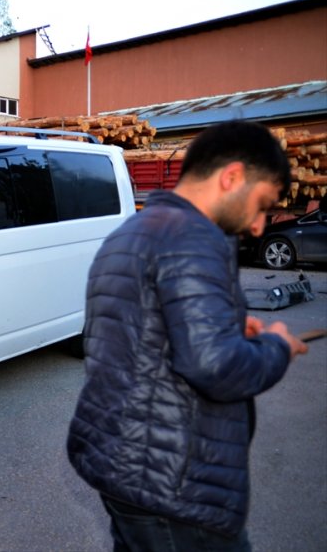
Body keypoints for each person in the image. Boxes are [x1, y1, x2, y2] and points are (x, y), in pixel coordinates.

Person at [67, 120, 309, 551]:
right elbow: (215, 366)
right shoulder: (194, 239)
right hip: (174, 485)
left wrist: (228, 327)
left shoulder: (131, 233)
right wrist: (275, 345)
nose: (258, 227)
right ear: (232, 176)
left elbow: (142, 334)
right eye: (261, 205)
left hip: (121, 466)